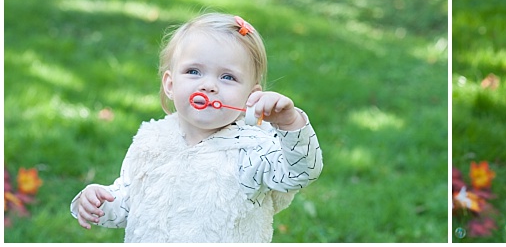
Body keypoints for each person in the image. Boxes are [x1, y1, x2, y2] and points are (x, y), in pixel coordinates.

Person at [70, 13, 322, 242]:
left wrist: (290, 124)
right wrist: (99, 201)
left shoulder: (252, 149)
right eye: (193, 71)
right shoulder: (151, 141)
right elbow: (128, 203)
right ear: (170, 84)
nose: (209, 86)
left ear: (251, 95)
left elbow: (300, 172)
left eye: (227, 77)